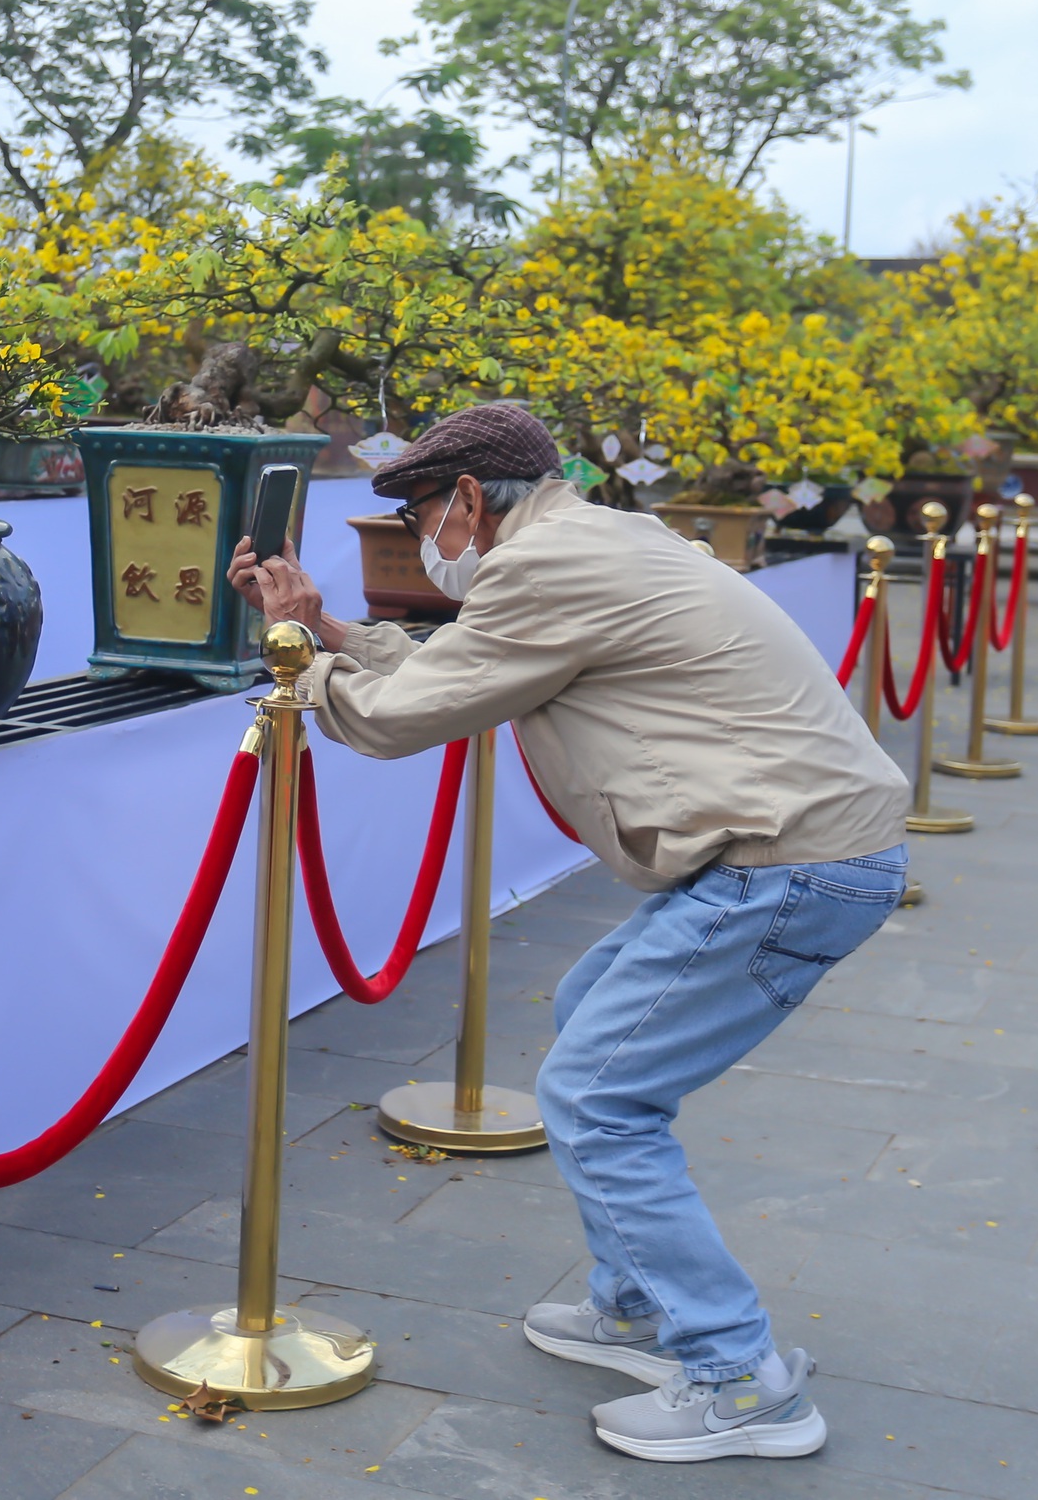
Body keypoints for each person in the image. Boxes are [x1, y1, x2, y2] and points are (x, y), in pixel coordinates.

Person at [227, 403, 910, 1465]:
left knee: (597, 1096)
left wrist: (296, 678)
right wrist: (329, 631)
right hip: (800, 851)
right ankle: (637, 1305)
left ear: (465, 499)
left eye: (416, 517)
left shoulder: (544, 565)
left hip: (786, 863)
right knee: (592, 1018)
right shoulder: (590, 538)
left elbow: (404, 718)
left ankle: (739, 1377)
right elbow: (456, 666)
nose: (417, 543)